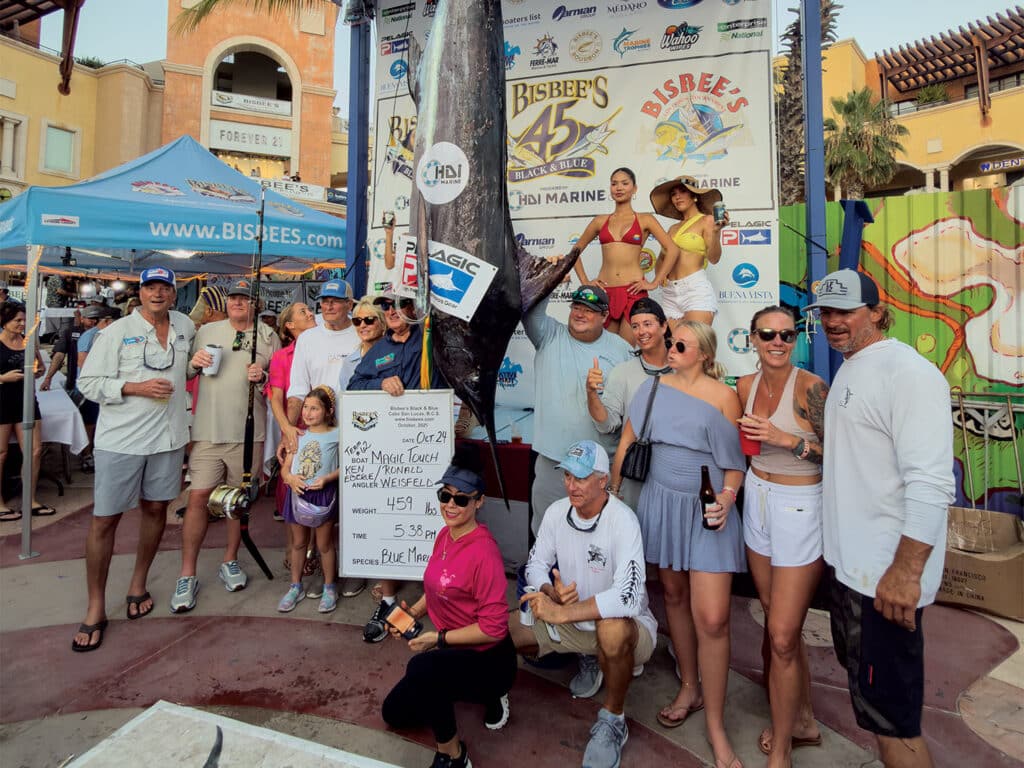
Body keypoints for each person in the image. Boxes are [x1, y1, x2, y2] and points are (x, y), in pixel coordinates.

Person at [805, 269, 954, 768]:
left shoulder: (908, 375)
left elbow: (932, 485)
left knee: (896, 724)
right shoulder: (852, 365)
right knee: (876, 713)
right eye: (825, 312)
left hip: (885, 585)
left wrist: (905, 574)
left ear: (876, 311)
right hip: (856, 576)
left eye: (845, 310)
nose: (833, 322)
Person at [609, 320, 745, 768]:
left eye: (680, 343)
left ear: (703, 353)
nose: (671, 347)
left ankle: (717, 728)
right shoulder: (650, 389)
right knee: (672, 596)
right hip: (661, 504)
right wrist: (611, 491)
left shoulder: (723, 396)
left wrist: (727, 500)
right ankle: (689, 686)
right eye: (671, 340)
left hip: (706, 508)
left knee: (713, 617)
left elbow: (735, 465)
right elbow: (627, 441)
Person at [510, 440, 657, 768]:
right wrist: (550, 590)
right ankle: (590, 658)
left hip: (630, 631)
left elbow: (627, 598)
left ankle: (613, 720)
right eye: (567, 476)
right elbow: (534, 565)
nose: (570, 485)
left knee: (612, 629)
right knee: (507, 632)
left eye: (580, 478)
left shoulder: (623, 520)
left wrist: (564, 612)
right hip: (574, 625)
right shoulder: (555, 512)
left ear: (603, 480)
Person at [73, 267, 195, 650]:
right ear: (139, 293)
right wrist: (133, 386)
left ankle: (138, 583)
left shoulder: (184, 326)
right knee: (105, 520)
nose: (157, 293)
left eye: (165, 288)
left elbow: (185, 366)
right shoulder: (114, 333)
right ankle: (95, 607)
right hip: (121, 440)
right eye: (150, 287)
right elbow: (87, 383)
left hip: (168, 438)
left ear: (174, 295)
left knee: (157, 510)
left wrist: (197, 364)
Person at [381, 449, 516, 768]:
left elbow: (494, 628)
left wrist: (437, 639)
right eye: (445, 495)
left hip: (488, 658)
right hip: (450, 648)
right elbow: (439, 585)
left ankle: (454, 754)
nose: (450, 505)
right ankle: (447, 686)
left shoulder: (485, 554)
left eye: (461, 500)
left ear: (479, 502)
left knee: (423, 670)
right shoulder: (444, 535)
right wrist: (412, 613)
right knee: (394, 714)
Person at [735, 306, 828, 763]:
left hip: (799, 505)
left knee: (785, 634)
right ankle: (805, 718)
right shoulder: (744, 387)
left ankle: (783, 746)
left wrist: (787, 439)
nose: (777, 342)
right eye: (768, 334)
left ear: (796, 340)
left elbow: (837, 456)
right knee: (775, 620)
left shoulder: (811, 388)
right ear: (752, 338)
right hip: (757, 498)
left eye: (787, 335)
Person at [171, 278, 280, 613]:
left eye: (244, 298)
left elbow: (277, 383)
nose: (238, 302)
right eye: (233, 297)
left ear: (254, 303)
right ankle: (187, 573)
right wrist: (195, 364)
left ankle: (230, 559)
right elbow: (185, 369)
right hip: (207, 431)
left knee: (237, 500)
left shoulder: (267, 336)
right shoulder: (205, 332)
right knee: (199, 497)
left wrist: (262, 378)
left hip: (249, 433)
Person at [352, 291, 445, 640]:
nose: (392, 311)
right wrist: (379, 382)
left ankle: (433, 601)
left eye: (402, 304)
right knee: (393, 524)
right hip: (391, 455)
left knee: (434, 522)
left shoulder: (433, 340)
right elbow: (354, 385)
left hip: (431, 449)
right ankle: (389, 601)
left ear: (416, 308)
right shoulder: (377, 351)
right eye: (387, 306)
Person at [524, 285, 631, 538]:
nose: (580, 314)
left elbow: (626, 413)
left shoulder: (622, 349)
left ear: (605, 316)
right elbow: (529, 310)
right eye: (577, 308)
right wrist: (553, 277)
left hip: (599, 468)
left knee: (597, 539)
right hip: (554, 463)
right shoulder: (549, 334)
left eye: (590, 310)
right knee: (546, 536)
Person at [568, 168, 680, 344]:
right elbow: (575, 251)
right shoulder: (600, 220)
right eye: (614, 184)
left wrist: (655, 282)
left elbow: (672, 249)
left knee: (626, 351)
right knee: (607, 350)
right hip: (605, 293)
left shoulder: (645, 219)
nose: (619, 188)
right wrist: (585, 281)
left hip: (633, 292)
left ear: (634, 188)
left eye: (624, 183)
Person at [587, 297, 672, 512]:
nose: (641, 331)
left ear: (664, 326)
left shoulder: (684, 368)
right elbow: (606, 425)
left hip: (675, 472)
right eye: (635, 326)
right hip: (636, 472)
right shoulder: (623, 371)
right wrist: (592, 395)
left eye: (647, 324)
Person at [277, 386, 341, 614]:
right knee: (298, 543)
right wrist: (290, 479)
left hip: (323, 494)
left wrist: (327, 478)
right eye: (306, 407)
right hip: (298, 494)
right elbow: (285, 468)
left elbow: (346, 466)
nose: (308, 413)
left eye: (315, 408)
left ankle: (329, 587)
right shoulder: (298, 434)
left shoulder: (337, 434)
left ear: (328, 411)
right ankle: (295, 586)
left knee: (324, 544)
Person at [648, 176, 728, 325]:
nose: (677, 197)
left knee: (697, 344)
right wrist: (660, 277)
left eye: (683, 191)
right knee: (677, 346)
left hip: (694, 289)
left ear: (694, 196)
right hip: (670, 292)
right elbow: (661, 259)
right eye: (673, 194)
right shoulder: (672, 228)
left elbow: (714, 258)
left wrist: (716, 232)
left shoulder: (707, 220)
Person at [267, 302, 318, 525]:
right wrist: (286, 428)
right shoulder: (281, 356)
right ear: (289, 325)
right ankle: (293, 556)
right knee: (291, 492)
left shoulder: (325, 346)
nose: (310, 313)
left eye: (309, 309)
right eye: (302, 312)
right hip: (296, 428)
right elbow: (276, 397)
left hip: (325, 428)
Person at [0, 301, 49, 521]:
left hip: (27, 401)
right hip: (1, 402)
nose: (22, 324)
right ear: (4, 321)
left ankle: (29, 499)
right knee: (0, 454)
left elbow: (40, 367)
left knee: (34, 451)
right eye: (17, 320)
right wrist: (3, 378)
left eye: (24, 320)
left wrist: (38, 371)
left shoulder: (29, 341)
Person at [76, 305, 122, 473]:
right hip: (91, 388)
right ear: (107, 321)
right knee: (89, 423)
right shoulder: (89, 336)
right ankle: (87, 455)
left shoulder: (112, 335)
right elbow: (82, 362)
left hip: (107, 386)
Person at [39, 305, 94, 394]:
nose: (94, 321)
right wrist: (48, 378)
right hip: (75, 382)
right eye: (91, 318)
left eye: (97, 318)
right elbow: (59, 355)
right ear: (82, 318)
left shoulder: (105, 334)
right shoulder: (70, 332)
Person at [337, 297, 386, 392]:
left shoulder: (395, 356)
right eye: (357, 321)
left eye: (369, 320)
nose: (362, 325)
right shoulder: (349, 362)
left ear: (383, 323)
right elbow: (347, 399)